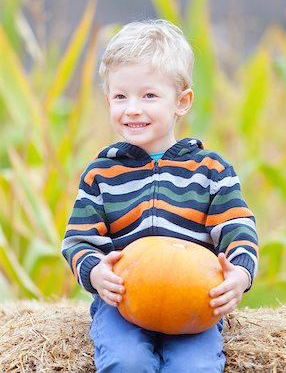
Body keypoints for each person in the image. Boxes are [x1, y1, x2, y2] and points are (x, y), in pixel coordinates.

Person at [62, 19, 258, 373]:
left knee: (195, 367)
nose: (132, 108)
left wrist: (240, 275)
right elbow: (78, 239)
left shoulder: (211, 170)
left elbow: (238, 229)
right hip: (122, 301)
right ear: (108, 100)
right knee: (126, 361)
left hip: (195, 302)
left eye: (149, 95)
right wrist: (94, 272)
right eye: (121, 96)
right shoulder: (101, 173)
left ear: (181, 102)